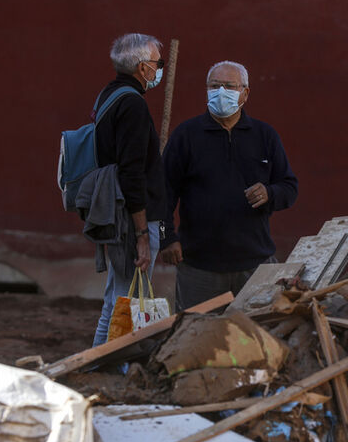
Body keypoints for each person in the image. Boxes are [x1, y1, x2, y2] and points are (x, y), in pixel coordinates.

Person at [159, 60, 298, 310]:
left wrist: (270, 193)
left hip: (255, 263)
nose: (221, 92)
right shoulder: (186, 135)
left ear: (245, 92)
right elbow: (162, 193)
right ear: (206, 90)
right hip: (199, 267)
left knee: (256, 337)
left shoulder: (264, 135)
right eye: (215, 86)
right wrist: (166, 238)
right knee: (196, 339)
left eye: (229, 86)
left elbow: (289, 187)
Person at [91, 33, 167, 346]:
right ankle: (102, 362)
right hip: (131, 217)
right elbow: (132, 173)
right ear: (142, 67)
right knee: (124, 297)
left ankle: (101, 361)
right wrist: (142, 236)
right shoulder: (133, 104)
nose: (160, 69)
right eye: (157, 63)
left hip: (116, 211)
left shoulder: (109, 95)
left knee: (118, 294)